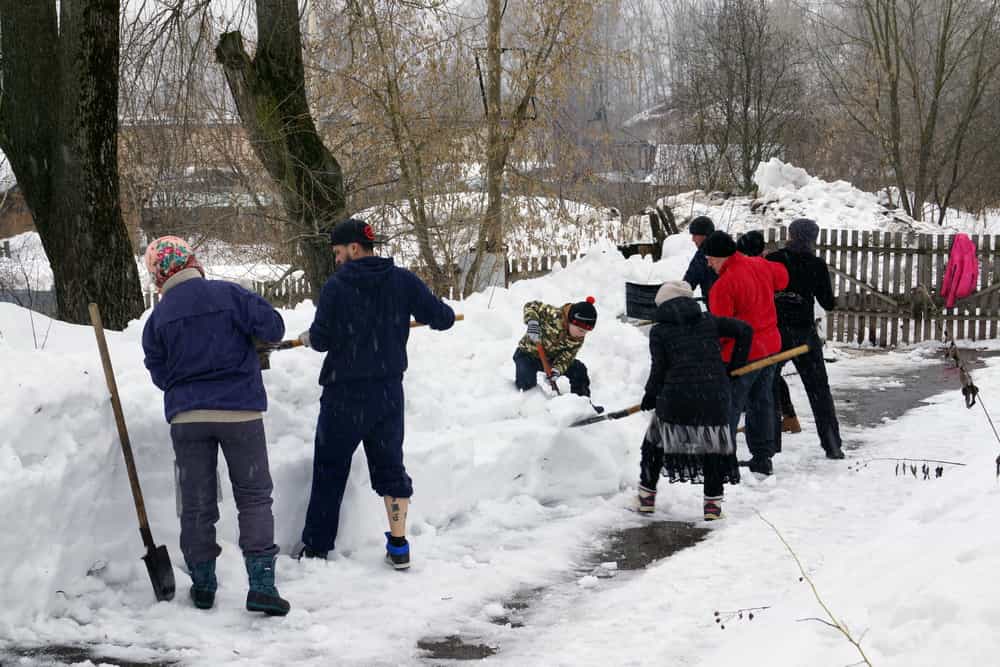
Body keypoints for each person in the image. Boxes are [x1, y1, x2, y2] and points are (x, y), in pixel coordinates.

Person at [141, 236, 289, 616]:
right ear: (193, 261)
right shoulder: (230, 295)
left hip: (188, 419)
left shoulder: (158, 319)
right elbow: (273, 328)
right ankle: (262, 587)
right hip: (240, 413)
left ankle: (204, 586)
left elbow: (160, 374)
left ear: (158, 277)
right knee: (254, 496)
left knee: (196, 502)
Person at [296, 218, 455, 569]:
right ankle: (399, 545)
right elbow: (442, 318)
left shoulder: (336, 287)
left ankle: (317, 549)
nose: (337, 260)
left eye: (339, 252)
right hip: (387, 393)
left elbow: (321, 340)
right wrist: (430, 308)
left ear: (354, 247)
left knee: (330, 468)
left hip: (343, 395)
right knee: (390, 468)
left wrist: (311, 336)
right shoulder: (402, 281)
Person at [637, 281, 752, 521]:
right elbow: (744, 330)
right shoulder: (708, 321)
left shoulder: (659, 331)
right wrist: (734, 366)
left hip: (676, 398)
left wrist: (650, 394)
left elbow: (659, 369)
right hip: (713, 395)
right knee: (712, 449)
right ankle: (712, 506)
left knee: (654, 446)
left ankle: (646, 498)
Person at [703, 230, 789, 475]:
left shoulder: (723, 285)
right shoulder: (759, 264)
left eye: (709, 259)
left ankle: (724, 461)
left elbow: (722, 330)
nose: (708, 264)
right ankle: (763, 457)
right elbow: (782, 278)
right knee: (761, 402)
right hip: (770, 348)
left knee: (729, 407)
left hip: (741, 355)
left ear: (720, 257)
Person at [766, 218, 845, 459]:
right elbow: (827, 303)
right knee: (819, 389)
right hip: (804, 333)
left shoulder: (773, 260)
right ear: (813, 238)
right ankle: (832, 445)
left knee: (768, 385)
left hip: (777, 332)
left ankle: (770, 445)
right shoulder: (816, 264)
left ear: (790, 234)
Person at [736, 230, 801, 443]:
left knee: (767, 381)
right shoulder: (772, 265)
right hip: (775, 328)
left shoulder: (754, 269)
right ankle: (783, 421)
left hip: (768, 329)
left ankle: (770, 431)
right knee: (770, 378)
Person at [514, 297, 598, 398]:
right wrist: (532, 321)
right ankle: (530, 404)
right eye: (580, 330)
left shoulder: (578, 338)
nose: (582, 334)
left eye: (585, 332)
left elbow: (567, 356)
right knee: (526, 380)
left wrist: (557, 370)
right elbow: (532, 306)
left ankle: (582, 403)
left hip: (550, 359)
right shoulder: (554, 315)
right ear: (571, 321)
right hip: (527, 354)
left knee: (579, 369)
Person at [682, 216, 718, 306]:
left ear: (704, 235)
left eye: (695, 235)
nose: (693, 239)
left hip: (718, 309)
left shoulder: (702, 256)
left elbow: (688, 283)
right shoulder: (730, 249)